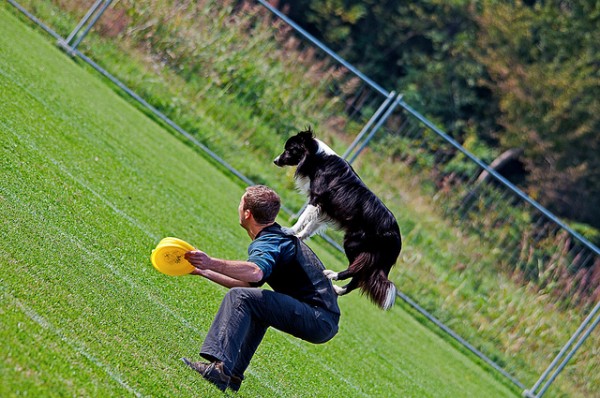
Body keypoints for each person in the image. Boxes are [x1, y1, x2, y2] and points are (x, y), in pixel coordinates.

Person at [182, 185, 340, 392]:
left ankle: (219, 370)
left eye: (240, 204)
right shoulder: (277, 236)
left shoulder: (269, 241)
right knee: (254, 303)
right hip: (323, 320)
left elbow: (255, 272)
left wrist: (210, 262)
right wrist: (204, 271)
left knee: (240, 298)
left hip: (316, 317)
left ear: (247, 213)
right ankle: (233, 374)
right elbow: (250, 284)